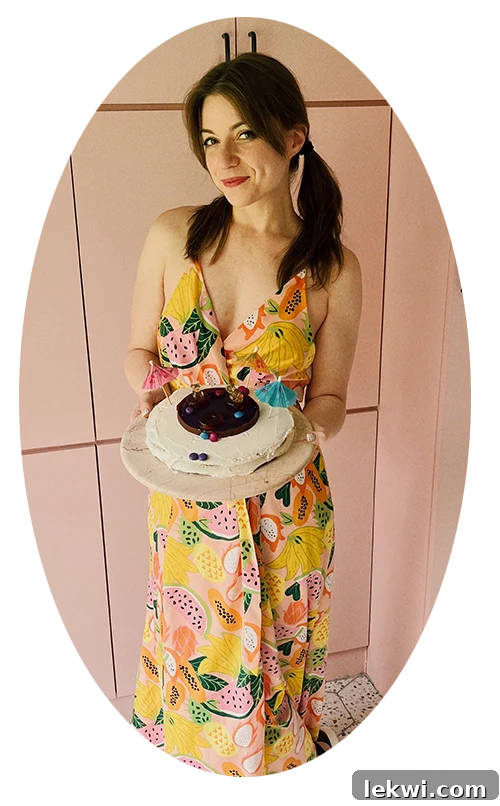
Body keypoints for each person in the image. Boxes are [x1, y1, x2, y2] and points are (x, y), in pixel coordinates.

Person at [124, 52, 362, 779]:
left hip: (285, 512)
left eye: (243, 135)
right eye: (207, 139)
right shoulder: (174, 237)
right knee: (202, 677)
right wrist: (158, 390)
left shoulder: (331, 269)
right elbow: (137, 350)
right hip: (189, 507)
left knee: (276, 670)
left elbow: (333, 400)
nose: (221, 158)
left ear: (293, 138)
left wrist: (302, 426)